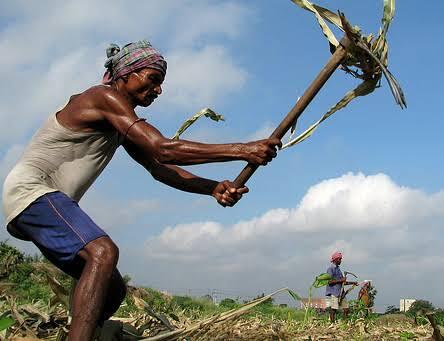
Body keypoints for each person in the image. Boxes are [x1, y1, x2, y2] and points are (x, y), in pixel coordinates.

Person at [2, 40, 281, 341]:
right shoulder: (102, 96)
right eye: (152, 79)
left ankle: (86, 334)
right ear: (125, 74)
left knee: (113, 287)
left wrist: (213, 188)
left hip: (47, 201)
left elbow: (159, 168)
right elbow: (163, 150)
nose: (158, 90)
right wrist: (243, 149)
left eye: (160, 83)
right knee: (103, 252)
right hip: (33, 191)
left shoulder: (120, 122)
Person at [325, 251, 358, 324]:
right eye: (339, 259)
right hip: (334, 292)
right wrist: (341, 280)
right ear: (335, 260)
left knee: (346, 309)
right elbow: (329, 282)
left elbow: (343, 283)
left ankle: (345, 324)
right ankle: (332, 324)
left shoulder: (338, 269)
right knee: (333, 309)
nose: (340, 261)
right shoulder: (330, 269)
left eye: (341, 259)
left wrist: (353, 283)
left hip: (341, 292)